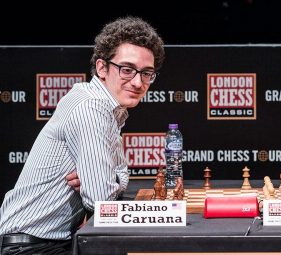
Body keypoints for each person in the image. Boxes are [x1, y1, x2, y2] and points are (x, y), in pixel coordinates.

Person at [0, 16, 165, 254]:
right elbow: (102, 202)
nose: (138, 82)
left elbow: (108, 187)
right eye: (127, 70)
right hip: (30, 247)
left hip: (47, 242)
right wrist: (110, 179)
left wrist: (109, 177)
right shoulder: (92, 107)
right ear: (102, 67)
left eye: (147, 73)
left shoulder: (104, 106)